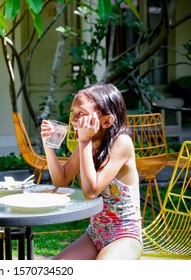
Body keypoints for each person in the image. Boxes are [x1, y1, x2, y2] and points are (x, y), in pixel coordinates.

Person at [41, 83, 142, 260]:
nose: (73, 120)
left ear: (106, 121)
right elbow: (61, 180)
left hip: (125, 236)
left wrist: (85, 141)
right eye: (73, 112)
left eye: (81, 114)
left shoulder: (122, 143)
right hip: (95, 234)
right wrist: (48, 145)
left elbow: (91, 191)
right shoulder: (89, 143)